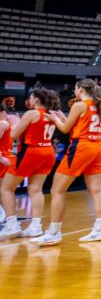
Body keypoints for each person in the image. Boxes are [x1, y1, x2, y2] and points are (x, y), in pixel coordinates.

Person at [32, 79, 101, 245]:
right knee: (96, 190)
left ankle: (54, 232)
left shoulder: (79, 105)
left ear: (80, 89)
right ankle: (100, 228)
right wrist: (64, 118)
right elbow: (81, 123)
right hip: (98, 146)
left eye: (75, 89)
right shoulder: (100, 105)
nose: (75, 92)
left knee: (57, 190)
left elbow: (65, 129)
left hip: (82, 147)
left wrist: (55, 119)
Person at [0, 89, 60, 240]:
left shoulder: (31, 114)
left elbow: (13, 135)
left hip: (31, 151)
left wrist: (15, 123)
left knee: (6, 188)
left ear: (37, 99)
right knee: (35, 189)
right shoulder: (52, 114)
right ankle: (36, 226)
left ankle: (11, 225)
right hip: (48, 151)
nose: (29, 100)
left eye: (31, 97)